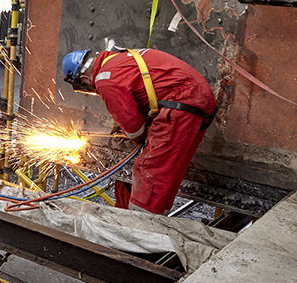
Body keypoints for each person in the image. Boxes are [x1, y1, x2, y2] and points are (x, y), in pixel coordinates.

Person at [62, 47, 217, 215]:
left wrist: (134, 135)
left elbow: (134, 127)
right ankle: (158, 215)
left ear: (83, 78)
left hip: (183, 102)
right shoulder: (118, 60)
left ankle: (140, 224)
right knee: (168, 169)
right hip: (199, 98)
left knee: (149, 168)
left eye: (83, 86)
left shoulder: (104, 78)